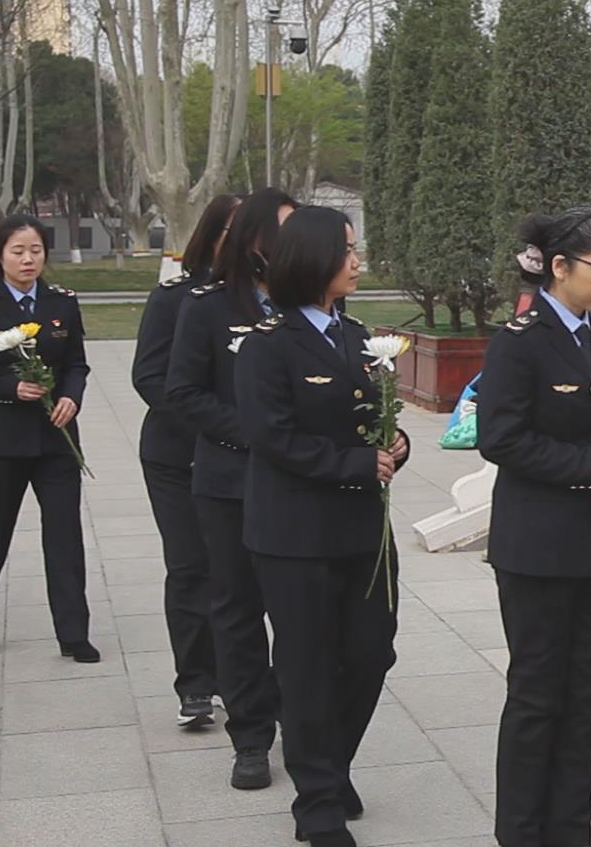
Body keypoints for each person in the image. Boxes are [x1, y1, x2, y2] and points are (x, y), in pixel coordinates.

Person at [479, 205, 591, 847]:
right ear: (559, 266)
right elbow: (501, 439)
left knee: (587, 696)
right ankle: (523, 833)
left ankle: (571, 830)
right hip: (537, 546)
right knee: (537, 696)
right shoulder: (518, 341)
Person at [235, 207, 408, 847]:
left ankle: (329, 765)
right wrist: (355, 463)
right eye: (346, 251)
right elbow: (271, 436)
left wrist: (395, 446)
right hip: (295, 532)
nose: (357, 262)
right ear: (310, 259)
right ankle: (318, 802)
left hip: (362, 527)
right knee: (306, 664)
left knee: (372, 652)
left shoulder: (358, 335)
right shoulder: (267, 344)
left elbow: (374, 419)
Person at [167, 188, 296, 789]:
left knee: (297, 614)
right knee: (239, 612)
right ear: (253, 239)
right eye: (282, 231)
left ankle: (300, 720)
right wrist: (256, 433)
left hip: (297, 485)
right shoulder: (208, 307)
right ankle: (250, 735)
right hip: (230, 483)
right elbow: (183, 392)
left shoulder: (311, 305)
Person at [0, 214, 95, 661]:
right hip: (1, 442)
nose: (28, 259)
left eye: (35, 250)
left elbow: (76, 363)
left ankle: (73, 633)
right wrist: (9, 388)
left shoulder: (61, 302)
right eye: (17, 251)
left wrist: (71, 396)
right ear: (0, 256)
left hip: (55, 439)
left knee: (65, 536)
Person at [131, 194, 239, 730]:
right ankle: (196, 683)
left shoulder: (265, 301)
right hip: (179, 454)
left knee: (237, 572)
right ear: (213, 237)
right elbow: (149, 377)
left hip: (242, 457)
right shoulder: (175, 298)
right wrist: (209, 422)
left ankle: (243, 678)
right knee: (191, 566)